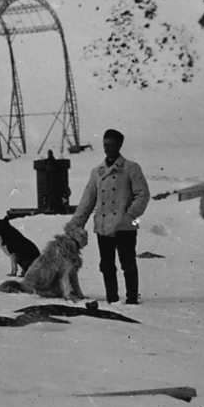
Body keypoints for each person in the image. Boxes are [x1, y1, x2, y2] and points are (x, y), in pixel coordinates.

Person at [67, 129, 150, 305]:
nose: (107, 149)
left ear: (119, 145)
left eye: (111, 145)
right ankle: (112, 298)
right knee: (106, 266)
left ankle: (132, 299)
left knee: (128, 264)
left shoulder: (131, 168)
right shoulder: (97, 172)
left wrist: (129, 215)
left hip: (124, 227)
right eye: (105, 145)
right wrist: (75, 224)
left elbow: (142, 194)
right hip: (103, 227)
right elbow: (87, 201)